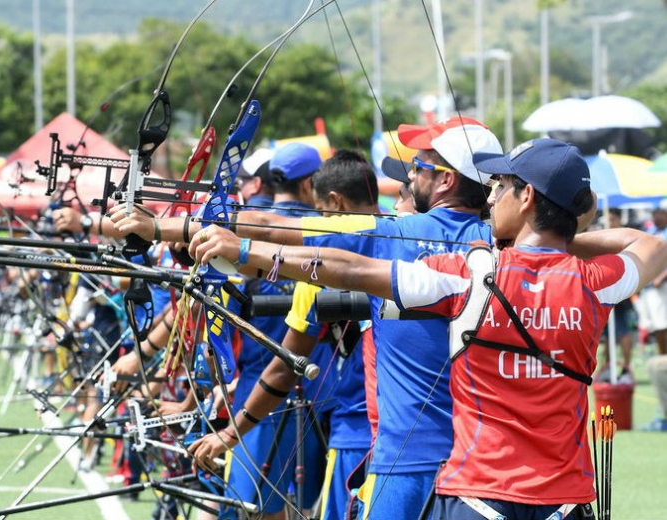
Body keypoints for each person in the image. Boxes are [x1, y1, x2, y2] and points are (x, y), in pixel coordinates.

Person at [188, 137, 667, 519]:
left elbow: (349, 269)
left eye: (502, 185)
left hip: (479, 497)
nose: (492, 195)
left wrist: (245, 252)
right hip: (565, 501)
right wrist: (568, 239)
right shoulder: (598, 283)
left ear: (527, 198)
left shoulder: (468, 273)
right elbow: (648, 245)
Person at [113, 116, 503, 520]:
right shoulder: (504, 248)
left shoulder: (393, 235)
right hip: (482, 464)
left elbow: (269, 225)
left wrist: (158, 227)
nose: (411, 177)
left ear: (446, 181)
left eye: (419, 168)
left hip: (407, 459)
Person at [191, 149, 379, 520]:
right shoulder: (414, 242)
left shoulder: (316, 250)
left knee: (255, 507)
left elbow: (273, 363)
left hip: (276, 395)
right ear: (308, 184)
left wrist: (228, 430)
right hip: (339, 405)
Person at [595, 208, 637, 384]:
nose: (609, 222)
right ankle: (607, 368)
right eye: (607, 219)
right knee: (608, 334)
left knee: (623, 332)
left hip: (622, 293)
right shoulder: (603, 237)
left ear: (619, 220)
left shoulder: (625, 238)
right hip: (608, 290)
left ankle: (626, 368)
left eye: (612, 219)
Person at [636, 208, 667, 356]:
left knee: (662, 324)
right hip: (649, 286)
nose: (655, 216)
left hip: (661, 285)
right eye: (654, 213)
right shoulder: (650, 231)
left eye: (658, 213)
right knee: (655, 325)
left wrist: (660, 277)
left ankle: (664, 359)